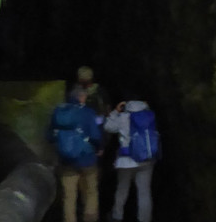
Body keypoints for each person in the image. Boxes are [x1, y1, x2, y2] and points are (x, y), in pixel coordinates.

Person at [48, 88, 103, 222]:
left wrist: (63, 145)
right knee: (91, 191)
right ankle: (90, 218)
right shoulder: (88, 113)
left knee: (69, 195)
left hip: (67, 161)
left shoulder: (59, 112)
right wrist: (99, 148)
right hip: (87, 159)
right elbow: (95, 136)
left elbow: (49, 136)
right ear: (81, 97)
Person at [104, 97, 158, 222]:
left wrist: (115, 112)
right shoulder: (149, 117)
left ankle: (117, 216)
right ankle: (145, 219)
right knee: (144, 192)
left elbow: (108, 127)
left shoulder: (123, 118)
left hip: (126, 161)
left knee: (122, 189)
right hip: (146, 160)